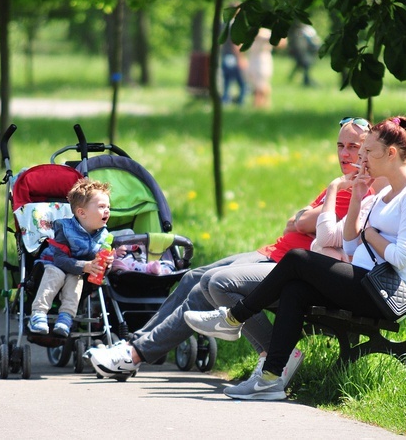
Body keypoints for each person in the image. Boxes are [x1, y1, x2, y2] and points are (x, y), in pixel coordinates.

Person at [86, 117, 370, 379]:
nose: (344, 153)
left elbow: (306, 222)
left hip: (285, 265)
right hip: (273, 252)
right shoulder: (343, 184)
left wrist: (304, 218)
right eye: (340, 146)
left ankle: (134, 355)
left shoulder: (353, 189)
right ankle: (132, 345)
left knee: (204, 288)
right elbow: (293, 223)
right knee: (191, 277)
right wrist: (303, 220)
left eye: (353, 147)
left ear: (367, 150)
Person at [184, 116, 406, 401]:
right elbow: (349, 241)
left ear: (391, 153)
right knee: (295, 288)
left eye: (368, 151)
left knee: (298, 258)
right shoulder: (386, 192)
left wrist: (370, 235)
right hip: (365, 281)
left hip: (386, 293)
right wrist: (357, 198)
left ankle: (233, 319)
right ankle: (270, 380)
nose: (362, 157)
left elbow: (403, 258)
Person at [28, 179, 114, 338]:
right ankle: (38, 313)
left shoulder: (104, 236)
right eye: (101, 207)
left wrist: (106, 265)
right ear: (82, 213)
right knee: (57, 273)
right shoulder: (65, 228)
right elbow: (60, 260)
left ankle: (66, 317)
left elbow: (98, 268)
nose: (107, 211)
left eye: (108, 207)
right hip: (52, 264)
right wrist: (85, 265)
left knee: (76, 278)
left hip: (77, 271)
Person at [221, 2, 247, 105]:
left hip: (225, 56)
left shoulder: (224, 24)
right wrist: (241, 58)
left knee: (227, 82)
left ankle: (225, 101)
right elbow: (235, 44)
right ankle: (240, 102)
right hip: (233, 57)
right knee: (242, 83)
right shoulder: (234, 25)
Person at [247, 28, 274, 108]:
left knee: (263, 84)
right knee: (254, 84)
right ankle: (256, 104)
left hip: (263, 60)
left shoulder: (266, 32)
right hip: (253, 58)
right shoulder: (250, 29)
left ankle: (265, 104)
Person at [287, 21, 320, 87]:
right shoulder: (298, 32)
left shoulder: (308, 30)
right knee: (304, 66)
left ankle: (306, 80)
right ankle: (306, 81)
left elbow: (315, 41)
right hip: (300, 53)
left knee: (303, 66)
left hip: (308, 51)